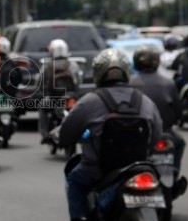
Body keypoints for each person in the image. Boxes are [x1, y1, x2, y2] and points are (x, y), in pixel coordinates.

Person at [58, 49, 163, 221]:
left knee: (74, 180)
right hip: (139, 168)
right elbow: (157, 136)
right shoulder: (145, 101)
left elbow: (66, 135)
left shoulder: (89, 101)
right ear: (127, 72)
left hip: (98, 171)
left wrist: (62, 137)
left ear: (99, 73)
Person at [130, 46, 186, 180]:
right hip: (164, 132)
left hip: (135, 132)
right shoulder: (168, 83)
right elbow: (178, 111)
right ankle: (174, 175)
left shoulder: (129, 82)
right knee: (180, 143)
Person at [38, 39, 81, 144]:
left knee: (42, 107)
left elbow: (40, 82)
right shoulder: (73, 65)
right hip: (71, 98)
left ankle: (44, 133)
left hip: (54, 98)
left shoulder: (47, 66)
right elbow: (78, 82)